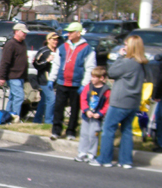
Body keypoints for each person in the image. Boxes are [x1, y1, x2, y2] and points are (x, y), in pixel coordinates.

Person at [91, 35, 149, 169]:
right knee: (127, 130)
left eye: (126, 45)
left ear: (132, 47)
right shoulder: (142, 63)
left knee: (108, 129)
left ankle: (104, 159)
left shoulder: (127, 62)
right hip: (133, 102)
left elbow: (111, 72)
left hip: (120, 101)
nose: (124, 47)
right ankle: (126, 160)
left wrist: (119, 57)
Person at [49, 22, 96, 140]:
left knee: (75, 109)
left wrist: (84, 84)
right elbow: (56, 64)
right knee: (58, 107)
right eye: (68, 32)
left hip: (77, 84)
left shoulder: (87, 49)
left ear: (78, 33)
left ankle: (71, 131)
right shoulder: (63, 47)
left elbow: (90, 68)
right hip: (62, 82)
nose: (68, 34)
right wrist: (51, 78)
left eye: (71, 32)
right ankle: (56, 130)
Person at [74, 67, 111, 163]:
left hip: (97, 117)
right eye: (92, 77)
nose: (92, 79)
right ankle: (82, 152)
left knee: (93, 135)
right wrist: (86, 110)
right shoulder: (88, 87)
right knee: (84, 134)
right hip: (87, 115)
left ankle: (91, 153)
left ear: (101, 78)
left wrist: (100, 113)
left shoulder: (106, 90)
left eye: (95, 77)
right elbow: (83, 99)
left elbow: (107, 104)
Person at [0, 23, 28, 121]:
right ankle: (15, 117)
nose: (25, 34)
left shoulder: (22, 43)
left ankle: (7, 117)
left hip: (21, 76)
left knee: (13, 98)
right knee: (19, 97)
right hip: (13, 76)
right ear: (16, 32)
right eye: (23, 32)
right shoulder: (11, 44)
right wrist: (2, 77)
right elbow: (5, 62)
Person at [32, 32, 59, 124]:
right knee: (52, 99)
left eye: (57, 40)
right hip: (44, 80)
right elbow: (36, 64)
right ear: (48, 40)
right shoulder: (43, 51)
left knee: (44, 101)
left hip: (53, 80)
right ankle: (48, 121)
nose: (55, 41)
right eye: (53, 39)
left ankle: (37, 120)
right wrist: (47, 60)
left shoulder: (57, 51)